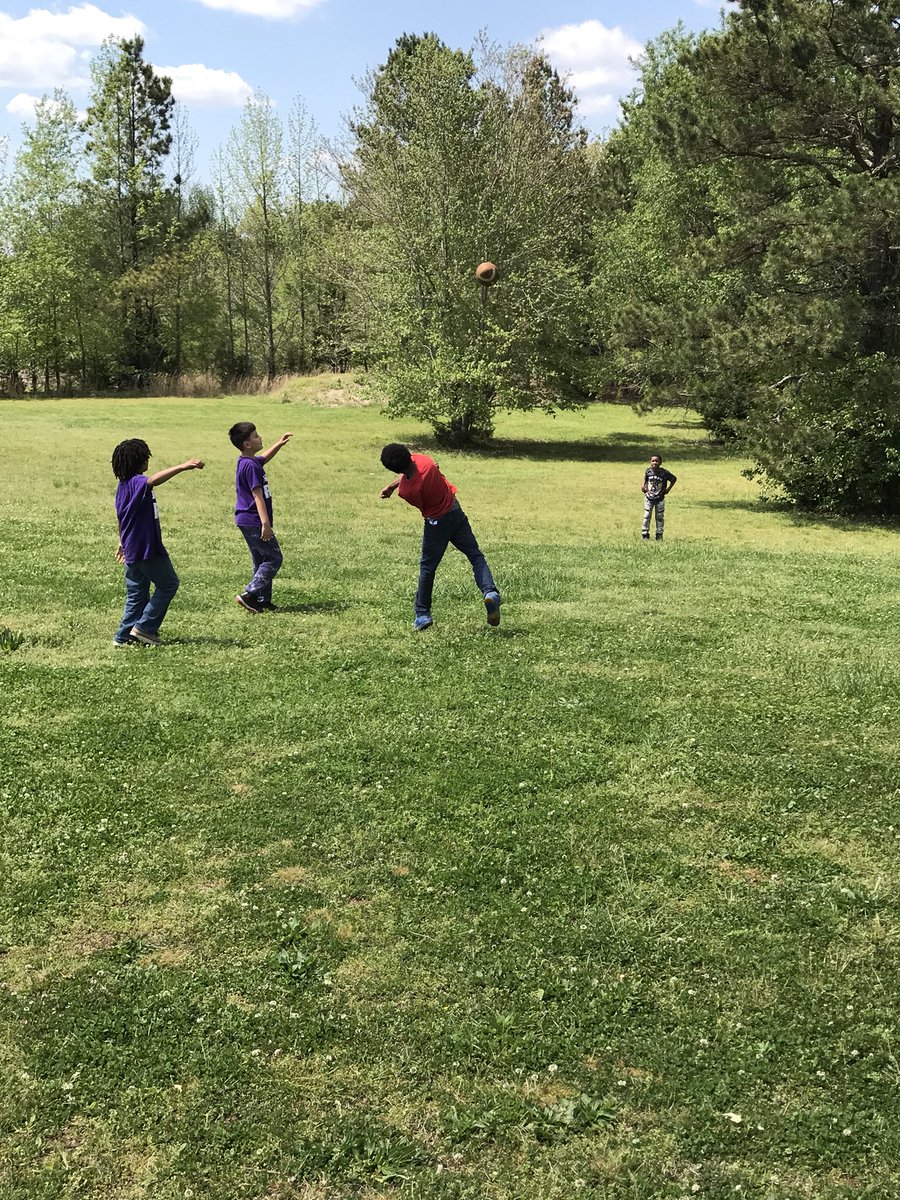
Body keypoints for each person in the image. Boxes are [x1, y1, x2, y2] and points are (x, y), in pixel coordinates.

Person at [379, 443, 501, 631]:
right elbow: (421, 468)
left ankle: (422, 614)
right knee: (475, 556)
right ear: (409, 454)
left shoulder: (406, 492)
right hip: (455, 512)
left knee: (427, 568)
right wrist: (391, 486)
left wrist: (391, 487)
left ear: (393, 469)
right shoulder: (425, 460)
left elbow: (408, 480)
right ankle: (490, 592)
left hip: (436, 524)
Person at [111, 439, 204, 646]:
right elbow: (152, 480)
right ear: (139, 461)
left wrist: (121, 541)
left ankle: (123, 637)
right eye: (145, 457)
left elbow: (121, 517)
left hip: (131, 547)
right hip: (146, 548)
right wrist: (183, 466)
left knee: (137, 594)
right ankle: (144, 628)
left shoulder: (122, 486)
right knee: (168, 584)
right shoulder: (137, 481)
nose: (148, 461)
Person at [229, 422, 293, 613]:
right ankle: (249, 594)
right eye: (256, 436)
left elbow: (264, 458)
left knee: (260, 559)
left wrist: (279, 444)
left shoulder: (249, 461)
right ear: (247, 444)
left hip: (246, 520)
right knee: (274, 558)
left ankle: (262, 600)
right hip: (254, 520)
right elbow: (257, 496)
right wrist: (265, 524)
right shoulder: (250, 467)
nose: (260, 438)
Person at [641, 454, 677, 541]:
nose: (655, 463)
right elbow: (645, 479)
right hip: (649, 497)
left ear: (660, 462)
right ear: (650, 462)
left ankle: (659, 534)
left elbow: (673, 479)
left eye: (657, 461)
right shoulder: (648, 471)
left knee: (659, 517)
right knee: (646, 515)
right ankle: (645, 533)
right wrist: (643, 486)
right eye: (653, 461)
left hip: (660, 498)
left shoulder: (664, 473)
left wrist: (668, 489)